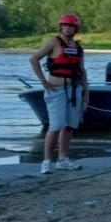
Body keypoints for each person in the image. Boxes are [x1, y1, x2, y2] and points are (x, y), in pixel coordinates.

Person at [29, 12, 89, 174]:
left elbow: (82, 71)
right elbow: (34, 59)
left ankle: (63, 159)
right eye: (65, 25)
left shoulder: (77, 48)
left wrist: (86, 92)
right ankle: (47, 162)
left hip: (74, 90)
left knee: (69, 126)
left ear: (76, 28)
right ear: (61, 26)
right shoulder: (53, 43)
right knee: (55, 126)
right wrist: (44, 82)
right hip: (56, 90)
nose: (68, 28)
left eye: (71, 26)